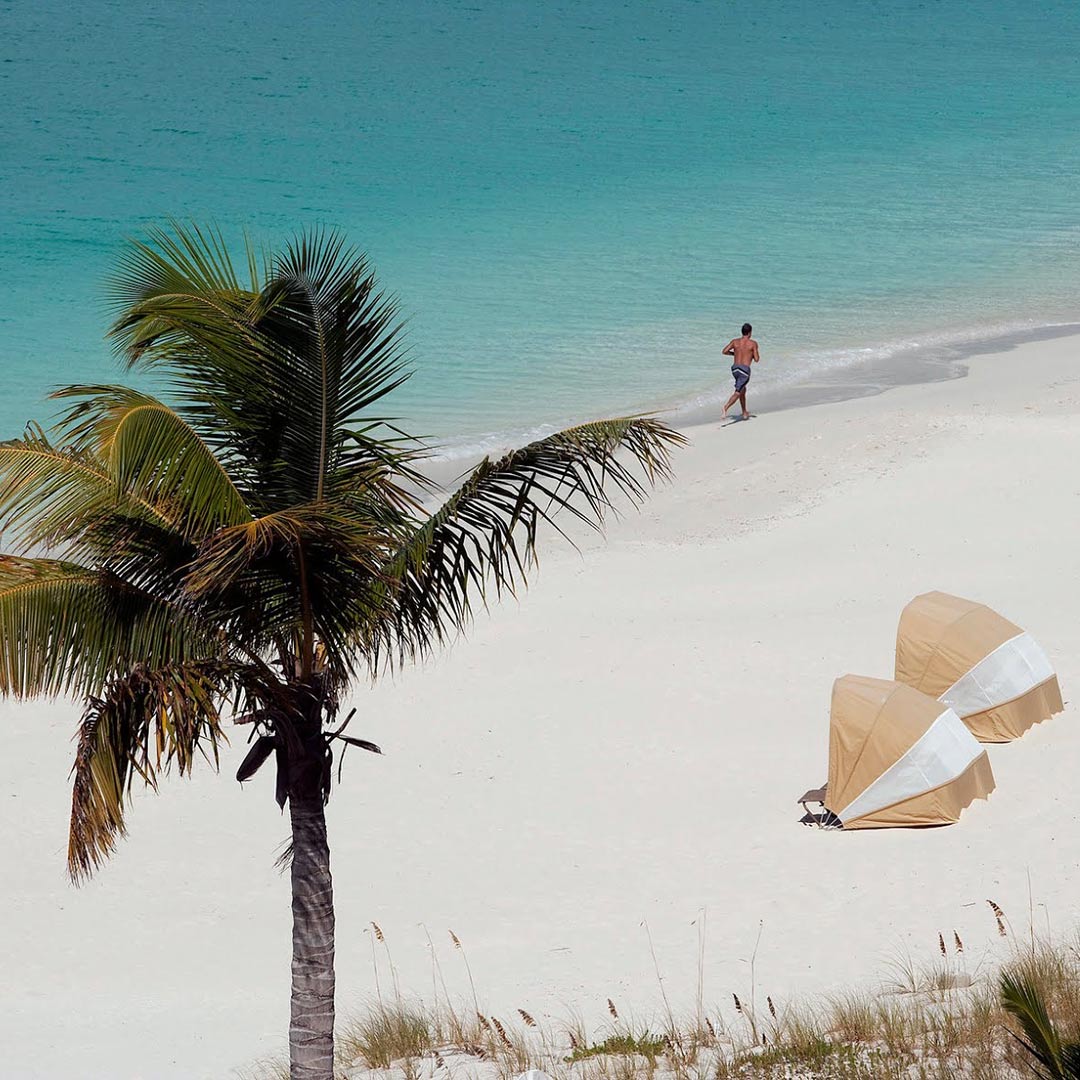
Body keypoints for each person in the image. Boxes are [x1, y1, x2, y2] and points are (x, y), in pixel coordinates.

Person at [722, 323, 760, 420]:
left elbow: (724, 351)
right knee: (738, 392)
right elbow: (756, 359)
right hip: (744, 370)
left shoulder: (735, 341)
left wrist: (734, 354)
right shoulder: (753, 343)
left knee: (743, 389)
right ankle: (725, 407)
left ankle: (744, 412)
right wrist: (750, 354)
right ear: (750, 332)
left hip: (735, 369)